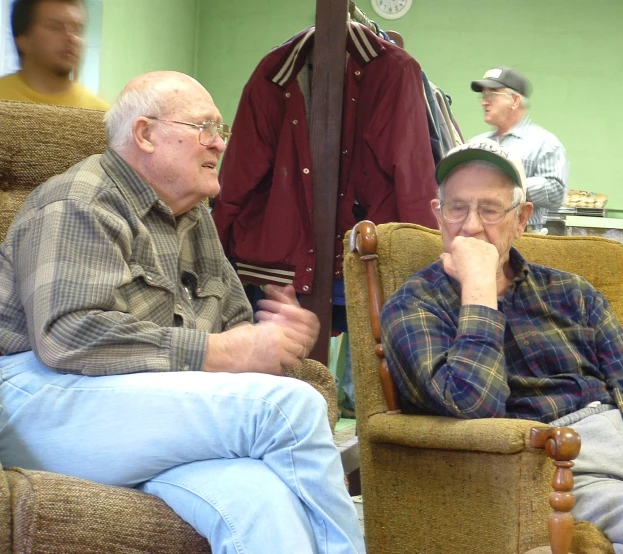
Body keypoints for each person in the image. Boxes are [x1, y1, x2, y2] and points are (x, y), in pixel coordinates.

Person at [0, 70, 365, 554]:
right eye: (203, 127)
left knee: (260, 502)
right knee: (287, 407)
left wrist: (268, 342)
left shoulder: (192, 218)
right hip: (36, 395)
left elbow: (234, 328)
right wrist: (223, 352)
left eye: (221, 130)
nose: (218, 144)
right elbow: (67, 334)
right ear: (145, 134)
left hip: (136, 407)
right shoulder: (80, 201)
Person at [380, 139, 623, 553]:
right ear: (437, 215)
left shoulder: (571, 292)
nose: (472, 226)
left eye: (491, 209)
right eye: (457, 208)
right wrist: (478, 290)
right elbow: (472, 407)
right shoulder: (414, 304)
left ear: (522, 219)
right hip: (556, 465)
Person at [469, 66, 566, 229]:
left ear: (514, 100)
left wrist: (505, 185)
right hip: (477, 233)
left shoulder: (545, 143)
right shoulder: (474, 144)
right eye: (483, 95)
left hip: (522, 238)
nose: (484, 102)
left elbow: (556, 192)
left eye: (491, 95)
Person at [0, 0, 108, 109]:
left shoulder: (99, 116)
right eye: (55, 27)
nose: (72, 38)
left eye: (77, 29)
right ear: (23, 39)